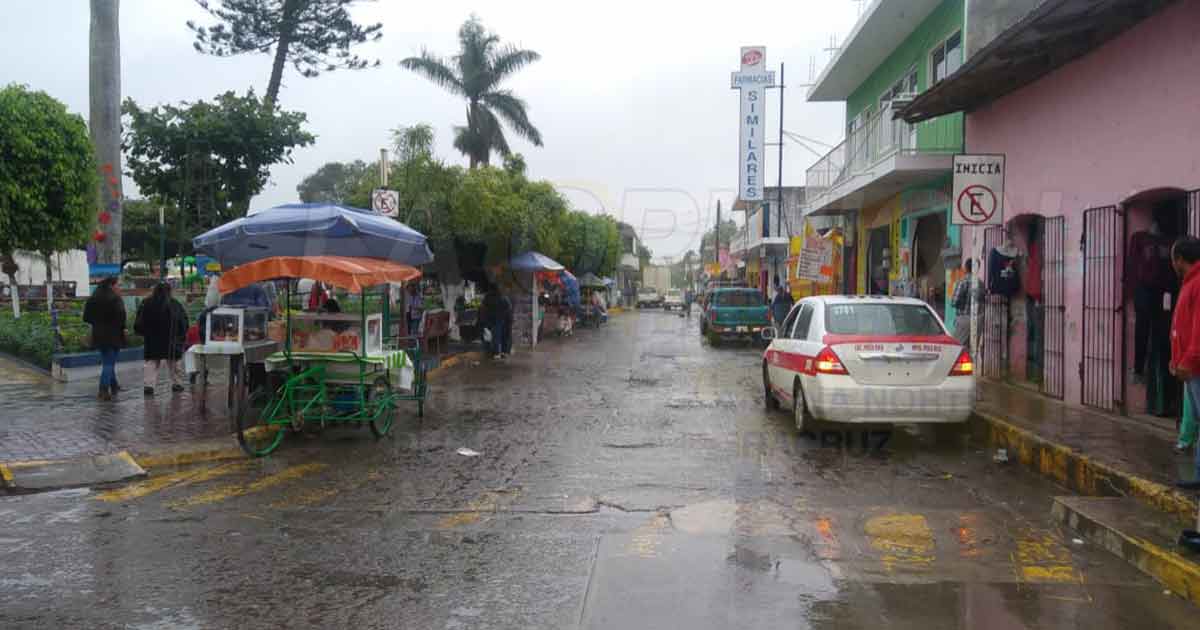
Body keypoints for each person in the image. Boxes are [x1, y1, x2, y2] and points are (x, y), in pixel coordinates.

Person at [1169, 237, 1200, 490]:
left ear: (1180, 259)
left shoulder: (1198, 283)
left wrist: (1188, 359)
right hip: (1190, 367)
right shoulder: (1189, 283)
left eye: (1173, 259)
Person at [134, 282, 188, 396]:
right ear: (169, 291)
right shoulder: (175, 304)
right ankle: (177, 384)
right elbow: (183, 321)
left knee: (152, 362)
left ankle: (149, 386)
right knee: (174, 362)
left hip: (152, 339)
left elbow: (140, 322)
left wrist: (143, 332)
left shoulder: (146, 303)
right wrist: (181, 335)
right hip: (171, 339)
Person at [82, 277, 126, 401]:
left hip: (98, 334)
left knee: (108, 361)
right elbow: (121, 318)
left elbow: (86, 318)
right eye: (118, 285)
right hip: (113, 335)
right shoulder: (116, 299)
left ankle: (114, 385)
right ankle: (103, 390)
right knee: (109, 363)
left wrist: (98, 322)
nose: (119, 287)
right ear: (111, 286)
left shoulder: (93, 299)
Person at [951, 259, 985, 347]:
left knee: (957, 348)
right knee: (972, 350)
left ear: (965, 268)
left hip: (964, 319)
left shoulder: (962, 282)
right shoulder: (981, 284)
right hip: (978, 320)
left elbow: (954, 302)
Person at [480, 282, 512, 359]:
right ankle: (504, 352)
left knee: (494, 336)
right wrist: (509, 320)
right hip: (502, 319)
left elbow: (483, 309)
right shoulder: (504, 297)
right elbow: (508, 309)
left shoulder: (487, 297)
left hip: (492, 320)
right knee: (504, 336)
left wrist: (484, 320)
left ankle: (495, 353)